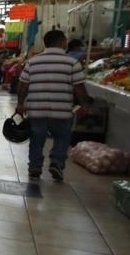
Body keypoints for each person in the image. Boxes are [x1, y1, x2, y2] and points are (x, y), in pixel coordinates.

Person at [16, 29, 91, 181]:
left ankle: (35, 167)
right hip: (62, 111)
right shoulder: (72, 63)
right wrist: (84, 105)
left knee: (37, 139)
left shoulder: (33, 61)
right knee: (62, 138)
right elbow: (79, 87)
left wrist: (20, 103)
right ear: (62, 42)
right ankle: (56, 163)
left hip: (37, 110)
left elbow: (22, 85)